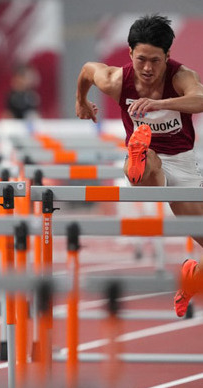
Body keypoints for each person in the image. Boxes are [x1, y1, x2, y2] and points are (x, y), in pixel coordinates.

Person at [74, 14, 203, 317]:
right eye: (141, 59)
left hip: (183, 162)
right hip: (147, 163)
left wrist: (160, 104)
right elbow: (87, 70)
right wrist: (81, 101)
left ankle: (192, 277)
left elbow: (200, 98)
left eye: (155, 61)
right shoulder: (118, 80)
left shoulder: (180, 76)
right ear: (130, 53)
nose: (147, 68)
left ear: (167, 56)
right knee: (152, 170)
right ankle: (140, 155)